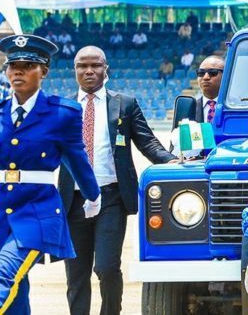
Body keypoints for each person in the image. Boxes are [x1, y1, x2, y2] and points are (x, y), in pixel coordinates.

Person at [59, 46, 175, 315]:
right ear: (74, 70)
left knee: (107, 267)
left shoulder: (125, 104)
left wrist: (170, 161)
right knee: (76, 273)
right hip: (73, 200)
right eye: (82, 66)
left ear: (106, 69)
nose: (89, 71)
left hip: (111, 198)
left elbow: (148, 142)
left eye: (95, 65)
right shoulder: (62, 108)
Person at [0, 34, 100, 314]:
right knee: (16, 288)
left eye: (27, 65)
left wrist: (93, 196)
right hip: (0, 212)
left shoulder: (62, 113)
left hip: (36, 211)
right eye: (12, 65)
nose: (17, 70)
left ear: (43, 71)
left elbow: (76, 158)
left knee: (3, 274)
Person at [194, 55, 225, 123]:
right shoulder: (189, 108)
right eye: (201, 73)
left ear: (225, 75)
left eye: (212, 72)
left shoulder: (236, 107)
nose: (205, 77)